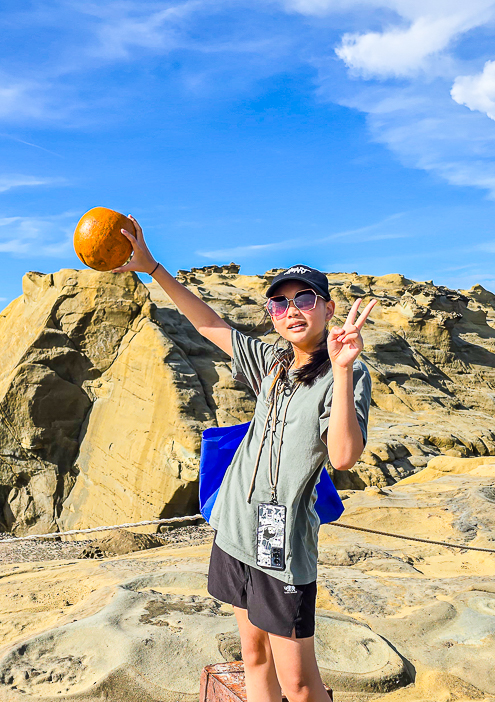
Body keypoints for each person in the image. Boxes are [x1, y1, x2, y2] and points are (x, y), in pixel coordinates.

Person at [113, 216, 376, 702]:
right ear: (272, 313)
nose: (291, 310)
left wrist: (341, 370)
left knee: (298, 684)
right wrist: (153, 268)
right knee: (253, 657)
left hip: (281, 541)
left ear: (327, 307)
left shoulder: (347, 375)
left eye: (305, 299)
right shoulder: (272, 362)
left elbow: (342, 458)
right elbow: (209, 323)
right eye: (280, 301)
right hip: (235, 523)